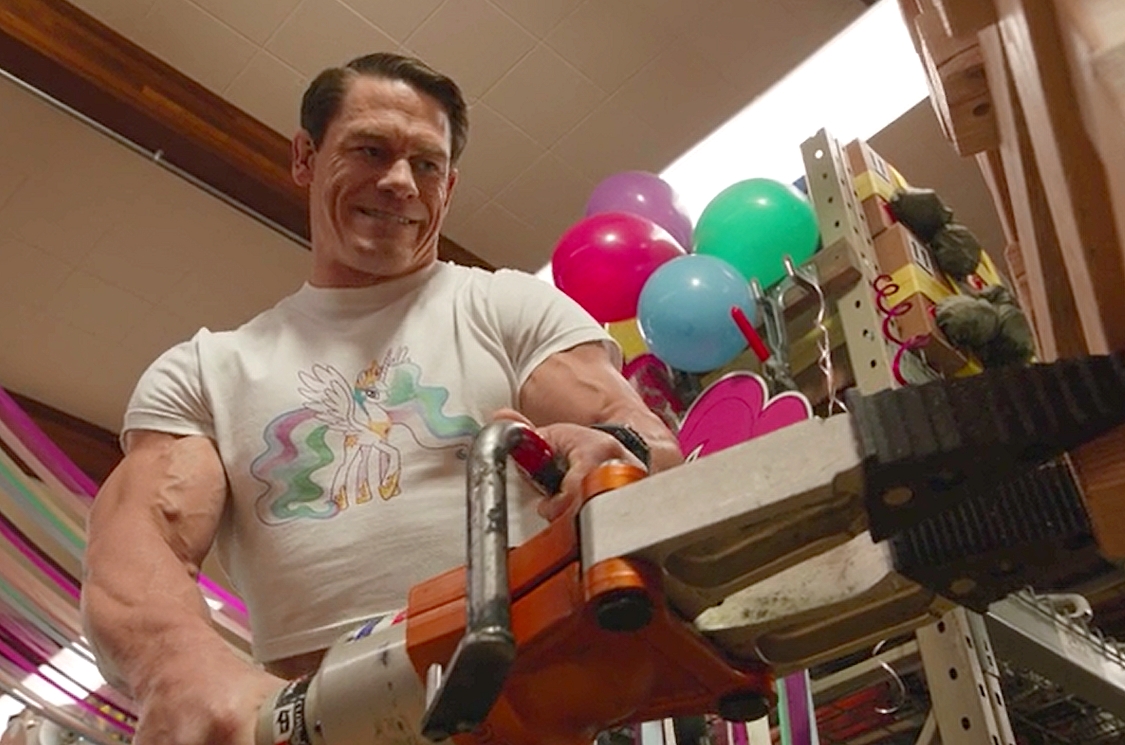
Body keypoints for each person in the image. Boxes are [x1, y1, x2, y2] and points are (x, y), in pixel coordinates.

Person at [80, 52, 682, 745]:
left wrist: (617, 455)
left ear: (448, 185)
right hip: (326, 722)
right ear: (305, 158)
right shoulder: (207, 372)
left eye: (426, 165)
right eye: (370, 150)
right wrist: (177, 668)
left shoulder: (505, 306)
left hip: (533, 704)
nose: (400, 182)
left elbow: (641, 435)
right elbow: (138, 539)